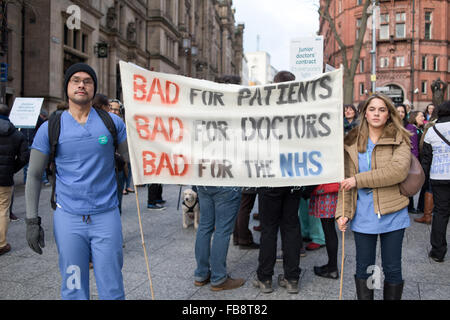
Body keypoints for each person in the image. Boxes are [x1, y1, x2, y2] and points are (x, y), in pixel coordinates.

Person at [25, 63, 129, 300]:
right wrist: (32, 221)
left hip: (106, 216)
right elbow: (33, 174)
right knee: (73, 288)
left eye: (87, 81)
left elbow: (132, 159)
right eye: (75, 80)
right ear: (67, 87)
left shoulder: (113, 124)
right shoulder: (51, 126)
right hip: (68, 219)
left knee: (112, 287)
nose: (81, 84)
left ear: (94, 88)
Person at [336, 93, 412, 300]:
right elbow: (346, 182)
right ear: (365, 113)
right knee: (366, 268)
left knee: (392, 268)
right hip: (363, 214)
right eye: (372, 109)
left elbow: (397, 172)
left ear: (389, 114)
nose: (376, 113)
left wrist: (358, 180)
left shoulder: (400, 138)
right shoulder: (350, 141)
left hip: (393, 211)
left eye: (382, 109)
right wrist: (342, 213)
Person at [193, 75, 245, 291]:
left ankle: (201, 274)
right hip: (227, 176)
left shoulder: (202, 113)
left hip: (204, 175)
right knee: (222, 230)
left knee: (205, 226)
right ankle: (219, 278)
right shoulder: (237, 115)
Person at [253, 71, 303, 294]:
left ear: (274, 86)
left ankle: (265, 279)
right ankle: (292, 278)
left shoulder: (265, 110)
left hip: (269, 177)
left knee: (269, 230)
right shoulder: (301, 110)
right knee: (291, 227)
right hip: (293, 177)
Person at [421, 100, 450, 262]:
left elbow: (426, 157)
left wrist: (423, 179)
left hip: (438, 176)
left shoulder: (432, 131)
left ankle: (438, 251)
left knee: (440, 213)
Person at [0, 104, 29, 255]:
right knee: (3, 210)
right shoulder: (17, 134)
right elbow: (25, 157)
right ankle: (1, 244)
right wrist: (12, 169)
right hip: (5, 178)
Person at [309, 182, 340, 279]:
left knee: (329, 230)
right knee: (330, 230)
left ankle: (332, 268)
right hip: (335, 188)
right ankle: (332, 266)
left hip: (326, 190)